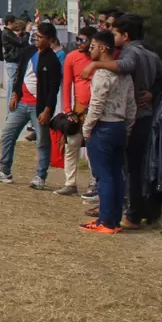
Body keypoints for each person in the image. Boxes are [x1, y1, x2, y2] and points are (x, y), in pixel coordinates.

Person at [80, 13, 162, 227]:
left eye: (115, 32)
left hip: (123, 120)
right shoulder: (152, 55)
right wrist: (153, 92)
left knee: (124, 170)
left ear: (126, 35)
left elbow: (126, 66)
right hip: (142, 115)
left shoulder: (131, 53)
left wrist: (96, 66)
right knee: (136, 167)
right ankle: (134, 211)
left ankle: (129, 214)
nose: (112, 36)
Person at [0, 22, 63, 188]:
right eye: (36, 35)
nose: (37, 39)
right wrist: (15, 93)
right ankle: (4, 170)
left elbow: (53, 88)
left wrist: (47, 110)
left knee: (42, 142)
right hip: (22, 103)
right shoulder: (28, 52)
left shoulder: (52, 61)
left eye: (41, 37)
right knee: (8, 133)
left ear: (50, 40)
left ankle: (40, 176)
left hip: (39, 107)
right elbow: (19, 75)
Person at [79, 30, 136, 233]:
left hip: (103, 126)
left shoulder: (102, 74)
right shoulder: (125, 75)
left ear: (103, 48)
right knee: (117, 174)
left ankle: (105, 221)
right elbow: (131, 105)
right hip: (120, 126)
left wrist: (87, 129)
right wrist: (128, 128)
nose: (90, 49)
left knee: (104, 176)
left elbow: (96, 105)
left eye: (92, 46)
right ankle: (114, 219)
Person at [57, 26, 96, 197]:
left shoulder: (101, 60)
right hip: (78, 107)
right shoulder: (72, 57)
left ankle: (94, 183)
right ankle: (70, 182)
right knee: (72, 144)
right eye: (78, 40)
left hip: (96, 107)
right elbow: (66, 84)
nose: (78, 43)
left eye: (83, 40)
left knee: (94, 146)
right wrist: (67, 109)